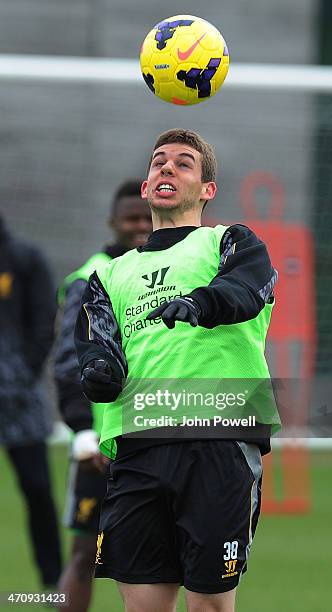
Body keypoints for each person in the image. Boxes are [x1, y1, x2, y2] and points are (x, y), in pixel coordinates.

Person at [74, 129, 281, 612]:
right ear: (146, 188)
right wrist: (99, 369)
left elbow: (249, 289)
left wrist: (199, 302)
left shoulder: (230, 242)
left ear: (207, 190)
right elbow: (95, 341)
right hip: (139, 447)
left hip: (219, 439)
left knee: (209, 603)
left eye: (183, 163)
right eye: (158, 162)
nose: (167, 168)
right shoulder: (108, 274)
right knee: (143, 604)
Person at [54, 180, 152, 612]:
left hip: (152, 435)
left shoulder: (169, 270)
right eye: (132, 218)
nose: (141, 227)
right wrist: (82, 431)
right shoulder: (89, 279)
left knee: (152, 559)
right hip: (100, 443)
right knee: (83, 556)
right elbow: (66, 360)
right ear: (113, 222)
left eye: (147, 217)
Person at [0, 214, 62, 591]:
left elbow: (44, 322)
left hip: (20, 402)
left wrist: (21, 375)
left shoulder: (23, 258)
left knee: (38, 490)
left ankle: (52, 584)